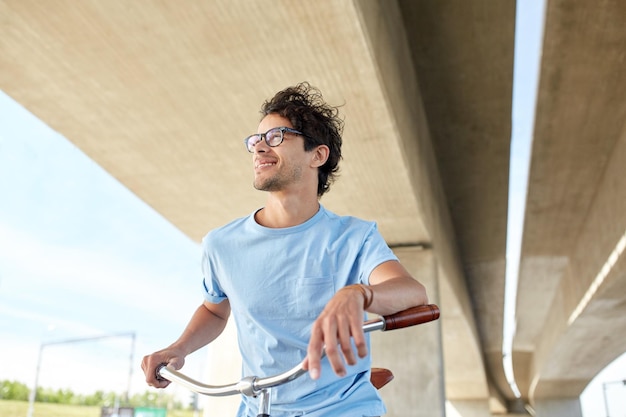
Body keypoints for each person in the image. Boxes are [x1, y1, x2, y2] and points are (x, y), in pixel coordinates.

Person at [141, 82, 429, 416]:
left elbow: (412, 292)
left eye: (277, 136)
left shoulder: (355, 237)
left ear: (317, 155)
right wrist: (179, 348)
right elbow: (216, 309)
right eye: (256, 140)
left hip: (342, 407)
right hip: (258, 404)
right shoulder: (221, 244)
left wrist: (360, 294)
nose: (260, 147)